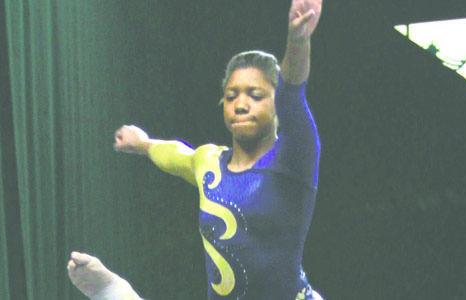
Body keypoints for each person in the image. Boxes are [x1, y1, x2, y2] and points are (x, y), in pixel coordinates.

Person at [68, 0, 323, 298]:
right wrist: (144, 144)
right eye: (231, 96)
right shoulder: (209, 162)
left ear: (275, 104)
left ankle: (113, 292)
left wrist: (298, 39)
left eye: (255, 95)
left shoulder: (293, 158)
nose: (241, 105)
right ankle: (112, 290)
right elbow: (179, 155)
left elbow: (292, 95)